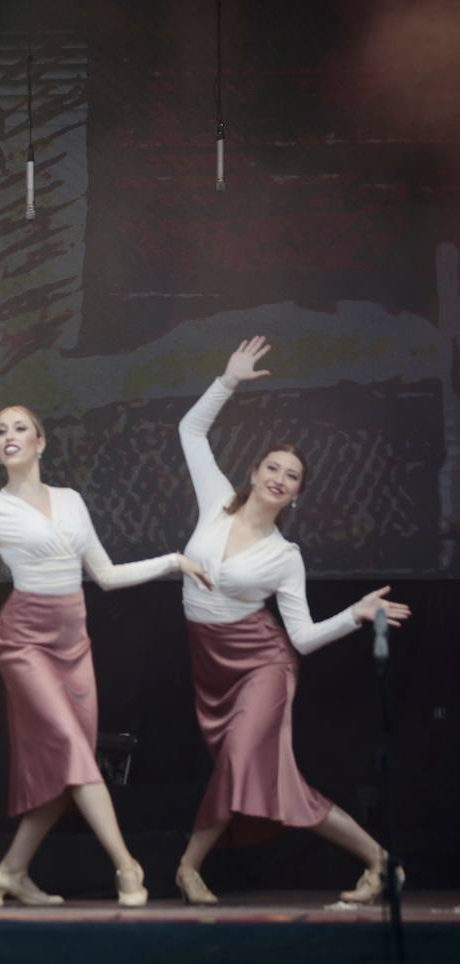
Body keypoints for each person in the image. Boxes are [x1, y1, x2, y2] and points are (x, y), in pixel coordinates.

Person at [0, 404, 212, 907]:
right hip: (23, 640)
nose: (9, 436)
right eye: (0, 430)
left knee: (64, 769)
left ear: (40, 441)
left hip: (74, 641)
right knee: (75, 753)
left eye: (19, 428)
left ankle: (10, 871)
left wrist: (174, 560)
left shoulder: (71, 501)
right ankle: (128, 868)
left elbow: (107, 575)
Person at [171, 336, 411, 906]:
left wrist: (354, 614)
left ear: (297, 494)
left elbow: (300, 638)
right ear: (254, 472)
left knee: (236, 763)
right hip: (211, 661)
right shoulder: (215, 501)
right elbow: (189, 432)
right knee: (281, 789)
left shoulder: (286, 556)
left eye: (293, 475)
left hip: (264, 665)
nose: (280, 477)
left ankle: (188, 868)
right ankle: (382, 863)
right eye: (273, 467)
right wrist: (227, 380)